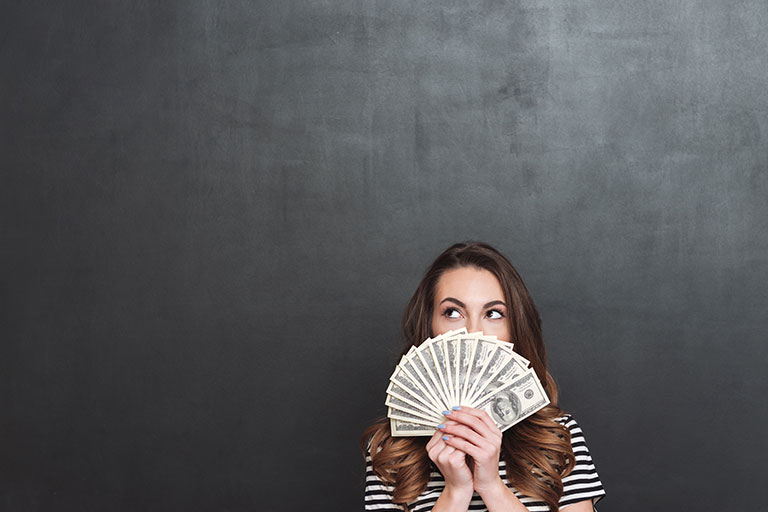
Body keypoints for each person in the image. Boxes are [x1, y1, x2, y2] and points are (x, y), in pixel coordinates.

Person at [361, 242, 606, 511]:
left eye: (493, 314)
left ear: (514, 328)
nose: (472, 332)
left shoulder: (557, 436)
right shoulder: (391, 449)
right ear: (430, 326)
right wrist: (455, 491)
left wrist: (490, 485)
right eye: (453, 313)